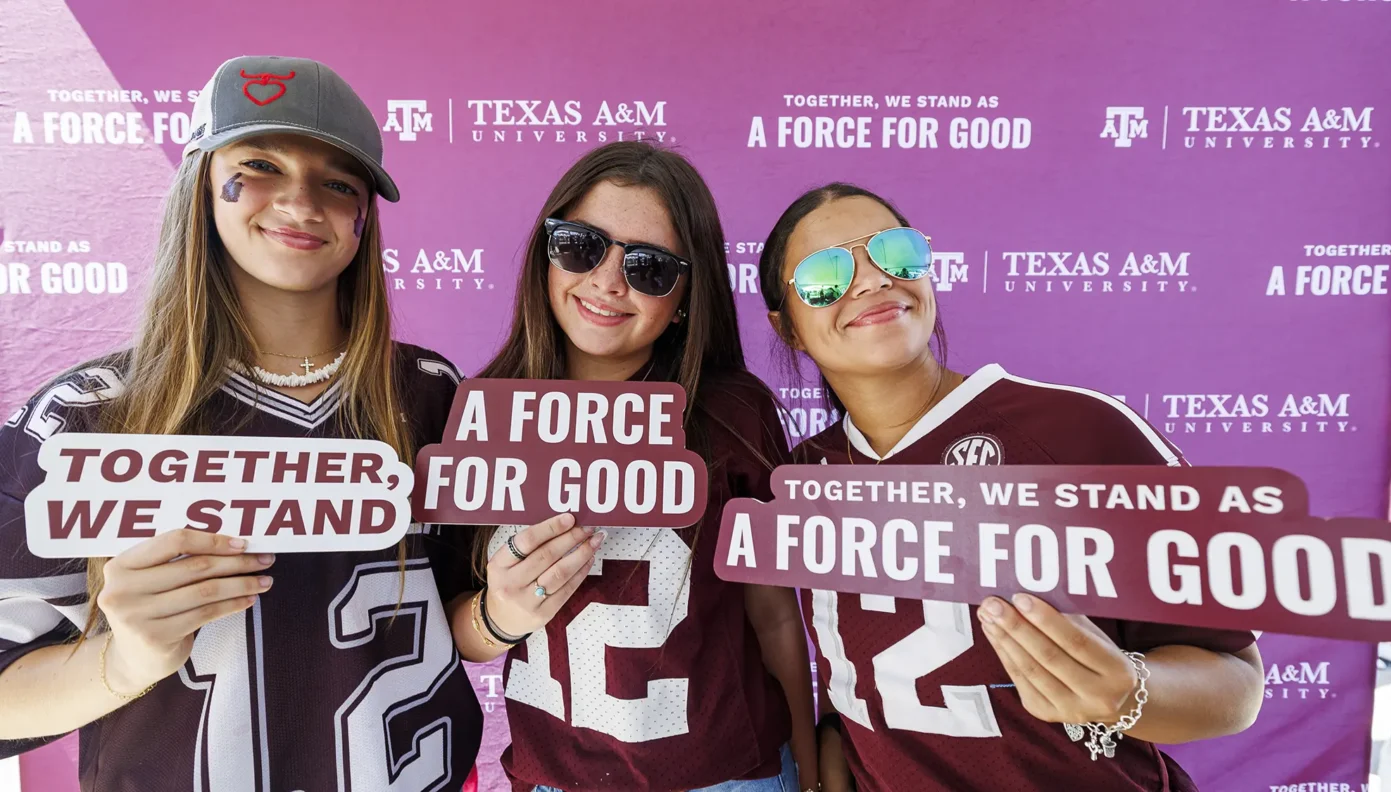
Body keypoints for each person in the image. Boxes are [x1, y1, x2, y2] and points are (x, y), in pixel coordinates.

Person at [0, 55, 582, 792]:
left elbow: (460, 616)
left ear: (366, 215)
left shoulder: (436, 396)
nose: (301, 203)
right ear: (202, 186)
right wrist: (120, 663)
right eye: (261, 165)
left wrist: (502, 614)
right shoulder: (86, 419)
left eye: (338, 182)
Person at [757, 182, 1265, 792]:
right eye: (826, 273)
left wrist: (1129, 692)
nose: (871, 280)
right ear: (786, 326)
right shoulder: (797, 484)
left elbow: (1236, 683)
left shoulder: (1078, 432)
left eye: (896, 253)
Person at [436, 141, 819, 792]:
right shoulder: (483, 408)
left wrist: (808, 766)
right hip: (555, 778)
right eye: (581, 245)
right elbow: (451, 625)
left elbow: (775, 615)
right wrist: (500, 616)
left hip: (732, 776)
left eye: (648, 267)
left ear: (687, 293)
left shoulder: (734, 411)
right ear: (545, 252)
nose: (609, 282)